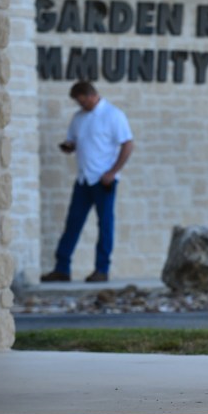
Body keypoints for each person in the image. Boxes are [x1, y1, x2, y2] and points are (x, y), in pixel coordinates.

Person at [41, 82, 134, 283]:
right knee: (73, 223)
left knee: (105, 224)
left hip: (103, 180)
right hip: (83, 179)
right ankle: (62, 268)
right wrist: (69, 146)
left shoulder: (113, 115)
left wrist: (113, 172)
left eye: (83, 101)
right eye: (78, 102)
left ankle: (102, 269)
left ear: (92, 95)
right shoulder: (79, 117)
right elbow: (74, 140)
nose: (81, 105)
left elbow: (127, 144)